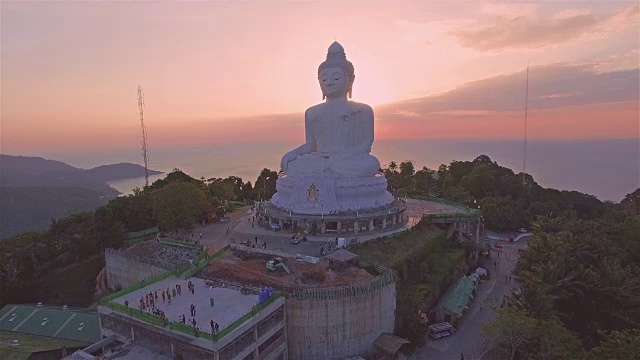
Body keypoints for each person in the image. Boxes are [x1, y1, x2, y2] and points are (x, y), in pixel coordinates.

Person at [279, 42, 381, 178]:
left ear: (351, 80)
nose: (329, 82)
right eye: (324, 79)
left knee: (370, 164)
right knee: (292, 165)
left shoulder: (363, 110)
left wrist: (337, 158)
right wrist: (293, 154)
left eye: (336, 77)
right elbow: (311, 145)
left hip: (346, 161)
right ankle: (327, 172)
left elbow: (364, 147)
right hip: (321, 160)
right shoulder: (312, 112)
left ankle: (325, 172)